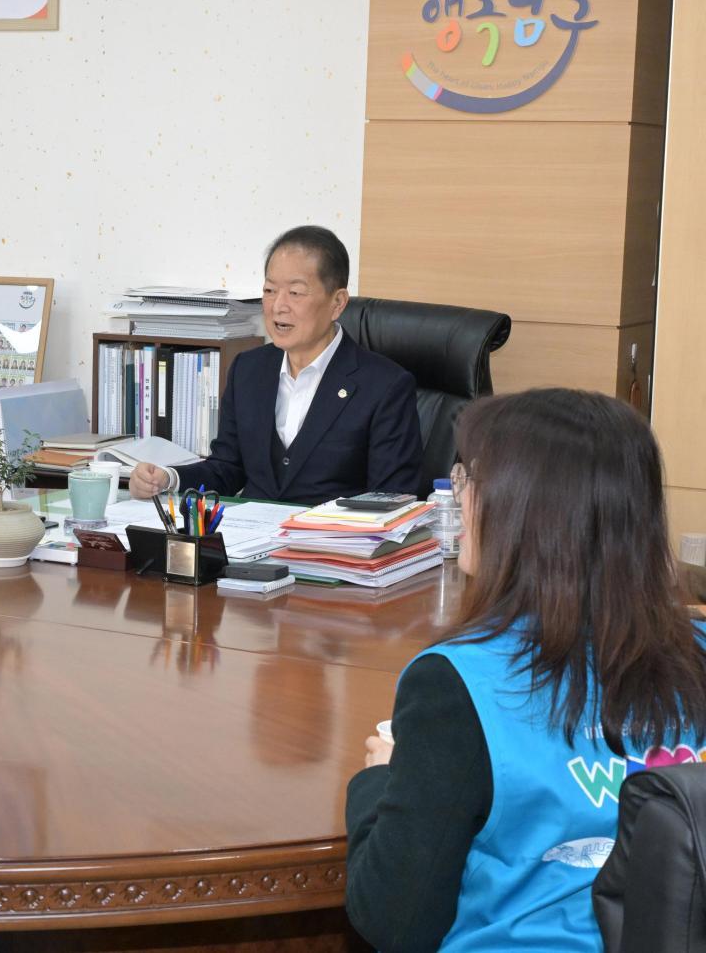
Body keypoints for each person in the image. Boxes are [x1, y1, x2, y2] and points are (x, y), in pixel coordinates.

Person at [345, 389, 706, 951]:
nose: (457, 497)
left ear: (524, 512)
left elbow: (396, 922)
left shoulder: (458, 684)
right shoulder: (697, 651)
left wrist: (380, 781)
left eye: (467, 480)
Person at [128, 226, 424, 506]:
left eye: (295, 293)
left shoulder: (385, 386)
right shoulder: (248, 369)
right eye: (270, 290)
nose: (278, 305)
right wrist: (169, 479)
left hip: (331, 552)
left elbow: (390, 500)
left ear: (337, 302)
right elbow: (227, 469)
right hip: (248, 547)